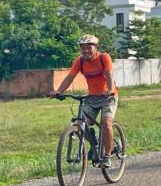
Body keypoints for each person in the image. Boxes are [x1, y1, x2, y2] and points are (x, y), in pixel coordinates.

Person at [50, 34, 118, 168]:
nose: (86, 51)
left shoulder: (104, 57)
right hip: (91, 97)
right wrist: (59, 91)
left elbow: (109, 74)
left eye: (89, 47)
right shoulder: (80, 61)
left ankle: (107, 156)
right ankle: (95, 144)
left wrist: (109, 89)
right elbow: (70, 77)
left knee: (106, 122)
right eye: (83, 48)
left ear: (96, 47)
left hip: (108, 97)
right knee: (80, 123)